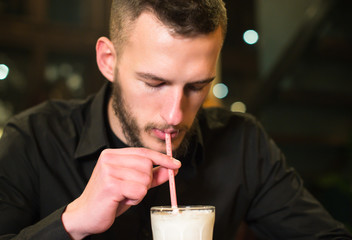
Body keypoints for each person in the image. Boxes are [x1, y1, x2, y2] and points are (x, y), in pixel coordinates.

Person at [0, 0, 351, 239]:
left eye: (197, 86)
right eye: (154, 83)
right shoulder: (32, 140)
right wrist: (72, 221)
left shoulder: (243, 144)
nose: (174, 115)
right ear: (109, 60)